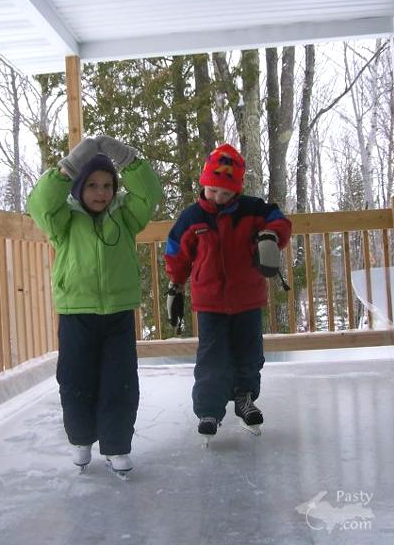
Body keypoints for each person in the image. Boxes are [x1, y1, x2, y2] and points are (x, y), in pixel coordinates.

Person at [27, 135, 162, 473]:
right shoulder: (63, 220)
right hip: (77, 314)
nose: (101, 192)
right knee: (75, 381)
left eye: (107, 185)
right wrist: (67, 167)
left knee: (120, 381)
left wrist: (128, 159)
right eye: (91, 185)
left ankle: (116, 445)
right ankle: (81, 439)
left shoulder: (125, 216)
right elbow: (40, 204)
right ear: (78, 188)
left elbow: (149, 194)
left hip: (118, 314)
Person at [164, 144, 291, 437]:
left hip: (247, 299)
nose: (218, 198)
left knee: (249, 353)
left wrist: (271, 235)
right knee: (212, 357)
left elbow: (280, 221)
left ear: (237, 190)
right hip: (210, 303)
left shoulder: (253, 210)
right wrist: (175, 286)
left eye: (226, 193)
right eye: (212, 191)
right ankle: (209, 409)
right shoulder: (192, 217)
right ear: (204, 184)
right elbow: (176, 252)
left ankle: (245, 399)